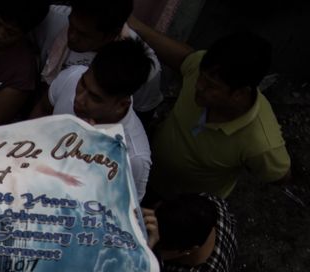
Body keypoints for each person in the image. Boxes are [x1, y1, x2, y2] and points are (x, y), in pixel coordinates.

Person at [130, 25, 289, 198]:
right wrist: (132, 24)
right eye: (201, 77)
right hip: (146, 173)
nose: (198, 86)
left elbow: (280, 176)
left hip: (180, 204)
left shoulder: (261, 143)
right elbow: (184, 58)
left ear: (239, 93)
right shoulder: (204, 70)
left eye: (211, 86)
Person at [34, 38, 152, 199]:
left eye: (95, 98)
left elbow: (123, 212)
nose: (79, 98)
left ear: (122, 104)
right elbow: (42, 109)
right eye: (83, 84)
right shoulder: (72, 76)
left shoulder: (133, 158)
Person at [33, 0, 162, 117]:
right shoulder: (51, 20)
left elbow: (142, 116)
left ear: (112, 35)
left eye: (83, 34)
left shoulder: (143, 69)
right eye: (71, 25)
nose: (72, 37)